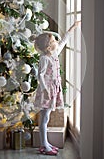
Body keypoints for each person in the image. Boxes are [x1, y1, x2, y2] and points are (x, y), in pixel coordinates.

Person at [34, 20, 81, 155]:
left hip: (53, 89)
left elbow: (64, 40)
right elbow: (41, 75)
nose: (56, 41)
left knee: (46, 117)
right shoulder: (44, 58)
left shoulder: (54, 53)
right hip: (47, 91)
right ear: (48, 47)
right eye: (54, 40)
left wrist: (73, 27)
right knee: (44, 118)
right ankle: (44, 145)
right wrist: (45, 90)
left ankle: (46, 143)